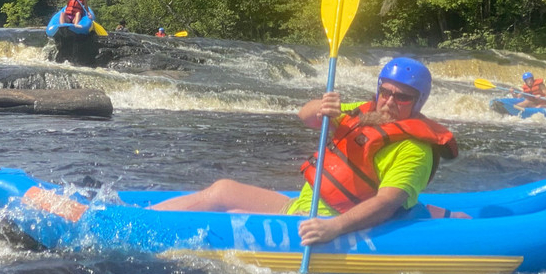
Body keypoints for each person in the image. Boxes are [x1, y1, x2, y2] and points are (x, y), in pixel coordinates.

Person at [151, 57, 459, 245]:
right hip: (303, 207)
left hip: (330, 223)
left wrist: (333, 228)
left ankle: (145, 234)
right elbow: (306, 116)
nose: (390, 102)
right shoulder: (365, 114)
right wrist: (320, 107)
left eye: (402, 97)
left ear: (417, 102)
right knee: (222, 190)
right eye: (386, 92)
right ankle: (138, 218)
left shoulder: (414, 149)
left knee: (234, 215)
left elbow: (386, 204)